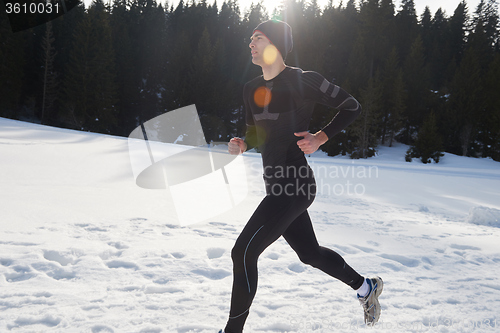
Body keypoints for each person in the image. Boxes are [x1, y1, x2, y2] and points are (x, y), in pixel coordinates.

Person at [221, 20, 382, 333]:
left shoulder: (302, 80)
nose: (250, 44)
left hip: (296, 184)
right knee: (309, 253)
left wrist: (320, 137)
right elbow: (257, 132)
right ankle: (366, 288)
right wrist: (243, 143)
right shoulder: (251, 88)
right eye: (250, 39)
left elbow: (352, 106)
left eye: (258, 38)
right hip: (275, 186)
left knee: (243, 252)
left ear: (276, 44)